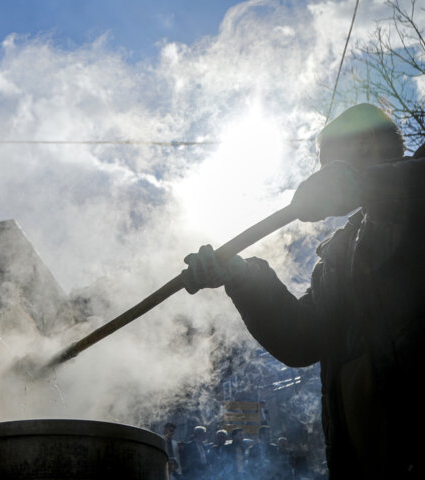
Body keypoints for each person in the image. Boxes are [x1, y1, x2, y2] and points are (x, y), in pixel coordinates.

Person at [181, 103, 425, 477]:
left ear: (363, 143)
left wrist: (363, 183)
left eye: (328, 162)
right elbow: (302, 338)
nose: (322, 175)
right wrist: (241, 276)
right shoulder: (338, 255)